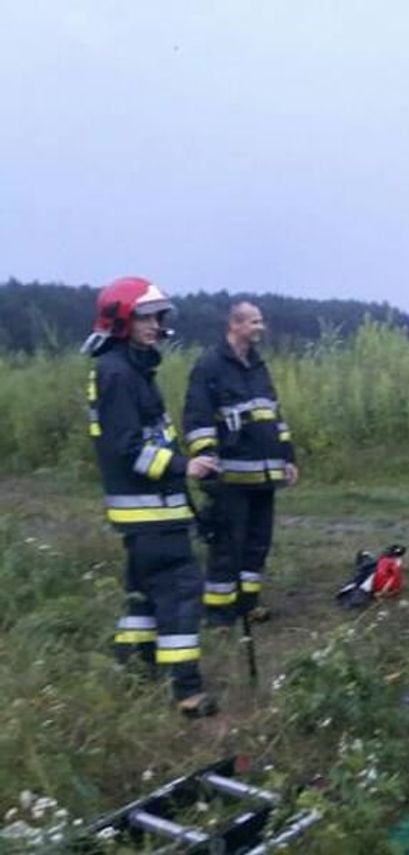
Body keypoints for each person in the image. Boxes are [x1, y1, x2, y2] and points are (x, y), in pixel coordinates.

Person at [82, 276, 220, 717]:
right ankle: (188, 693)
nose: (156, 324)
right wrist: (186, 466)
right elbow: (125, 450)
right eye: (146, 316)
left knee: (143, 595)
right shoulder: (118, 374)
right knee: (181, 592)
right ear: (122, 320)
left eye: (158, 316)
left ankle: (134, 673)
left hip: (154, 512)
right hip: (149, 514)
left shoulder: (131, 369)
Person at [183, 302, 298, 626]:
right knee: (226, 546)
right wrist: (205, 457)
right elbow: (197, 415)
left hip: (264, 473)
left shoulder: (258, 365)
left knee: (257, 544)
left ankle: (247, 605)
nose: (261, 327)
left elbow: (274, 414)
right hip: (230, 475)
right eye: (254, 321)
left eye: (261, 321)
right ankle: (219, 612)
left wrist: (287, 456)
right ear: (235, 324)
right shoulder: (210, 365)